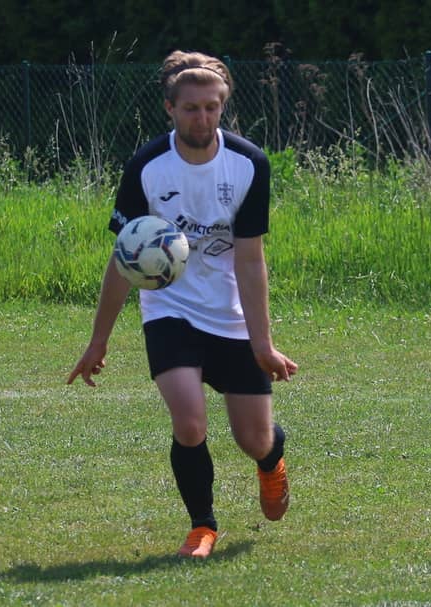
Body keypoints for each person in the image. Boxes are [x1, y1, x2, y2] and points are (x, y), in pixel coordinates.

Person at [67, 50, 298, 558]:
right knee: (190, 423)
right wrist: (98, 340)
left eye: (212, 107)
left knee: (254, 439)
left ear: (223, 106)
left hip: (230, 315)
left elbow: (250, 261)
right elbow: (125, 258)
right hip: (169, 310)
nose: (203, 118)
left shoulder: (248, 164)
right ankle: (202, 526)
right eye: (191, 108)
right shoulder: (147, 167)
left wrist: (262, 343)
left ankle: (271, 458)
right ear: (170, 108)